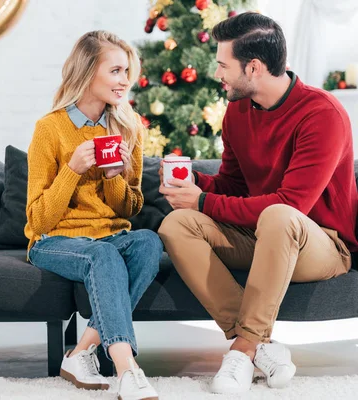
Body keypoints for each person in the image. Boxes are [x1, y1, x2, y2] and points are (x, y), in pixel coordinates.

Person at [157, 12, 357, 394]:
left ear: (253, 67)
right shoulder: (237, 112)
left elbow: (291, 205)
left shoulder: (322, 114)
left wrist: (203, 201)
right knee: (176, 224)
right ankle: (260, 346)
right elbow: (233, 184)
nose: (218, 74)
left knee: (280, 216)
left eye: (223, 65)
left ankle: (243, 349)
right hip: (261, 237)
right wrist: (194, 184)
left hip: (322, 245)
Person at [25, 30, 163, 400]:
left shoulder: (127, 127)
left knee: (149, 242)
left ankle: (81, 350)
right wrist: (72, 169)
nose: (125, 81)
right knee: (102, 254)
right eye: (116, 71)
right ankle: (127, 370)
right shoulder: (49, 129)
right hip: (55, 241)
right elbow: (38, 221)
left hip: (110, 236)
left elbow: (130, 210)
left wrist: (115, 177)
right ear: (88, 72)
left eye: (127, 71)